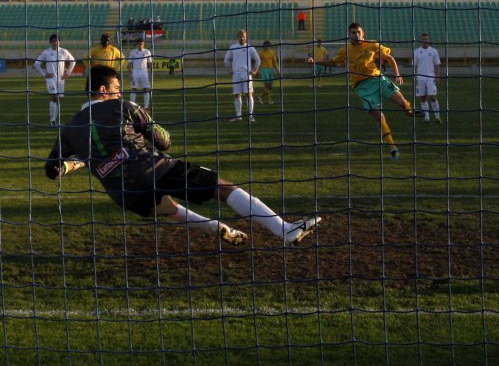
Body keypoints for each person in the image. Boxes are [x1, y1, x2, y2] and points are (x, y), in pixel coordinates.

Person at [44, 65, 320, 248]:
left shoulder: (71, 127)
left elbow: (53, 169)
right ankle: (283, 229)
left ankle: (217, 228)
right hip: (153, 167)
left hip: (122, 192)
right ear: (104, 91)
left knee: (168, 208)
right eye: (117, 87)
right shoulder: (124, 106)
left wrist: (79, 162)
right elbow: (163, 141)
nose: (120, 91)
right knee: (222, 187)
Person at [309, 22, 414, 160]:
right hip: (362, 87)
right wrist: (315, 62)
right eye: (353, 32)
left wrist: (397, 73)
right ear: (349, 34)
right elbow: (334, 62)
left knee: (402, 103)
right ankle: (392, 147)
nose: (356, 35)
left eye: (358, 32)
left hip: (378, 79)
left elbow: (389, 57)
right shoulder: (345, 50)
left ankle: (411, 111)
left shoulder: (372, 45)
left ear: (363, 33)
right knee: (379, 116)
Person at [33, 33, 76, 126]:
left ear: (59, 42)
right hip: (51, 79)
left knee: (58, 100)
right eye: (53, 41)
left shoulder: (64, 52)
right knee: (54, 98)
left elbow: (73, 61)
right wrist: (44, 74)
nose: (55, 43)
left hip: (61, 79)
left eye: (57, 41)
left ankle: (56, 120)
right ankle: (52, 120)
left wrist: (67, 73)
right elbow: (36, 64)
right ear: (50, 42)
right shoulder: (46, 52)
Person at [224, 29, 260, 122]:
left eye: (243, 36)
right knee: (237, 95)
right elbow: (226, 59)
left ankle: (250, 115)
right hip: (236, 74)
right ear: (238, 37)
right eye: (240, 36)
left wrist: (255, 70)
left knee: (249, 94)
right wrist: (229, 70)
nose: (242, 38)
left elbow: (258, 60)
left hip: (246, 74)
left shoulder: (250, 48)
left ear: (246, 37)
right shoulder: (233, 47)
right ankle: (238, 116)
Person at [413, 33, 442, 123]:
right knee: (423, 98)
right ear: (421, 41)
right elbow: (414, 66)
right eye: (423, 39)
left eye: (426, 39)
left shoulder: (433, 51)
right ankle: (427, 118)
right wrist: (414, 78)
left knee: (433, 97)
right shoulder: (416, 52)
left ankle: (437, 117)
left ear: (429, 40)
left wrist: (437, 76)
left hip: (430, 78)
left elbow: (437, 65)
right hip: (420, 78)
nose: (425, 41)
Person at [127, 38, 153, 109]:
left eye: (142, 44)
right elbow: (129, 64)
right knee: (134, 88)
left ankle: (146, 107)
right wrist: (130, 74)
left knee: (146, 89)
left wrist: (150, 74)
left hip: (144, 72)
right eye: (139, 44)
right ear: (137, 44)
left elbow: (150, 64)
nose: (140, 45)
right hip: (135, 71)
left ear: (143, 44)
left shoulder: (147, 52)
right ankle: (132, 106)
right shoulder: (133, 52)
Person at [257, 40, 280, 105]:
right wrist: (257, 71)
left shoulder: (272, 53)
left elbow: (275, 62)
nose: (266, 47)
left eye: (268, 46)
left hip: (271, 70)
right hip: (264, 70)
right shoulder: (261, 53)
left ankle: (260, 97)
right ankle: (270, 100)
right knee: (266, 85)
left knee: (270, 86)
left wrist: (278, 71)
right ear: (263, 46)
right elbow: (258, 63)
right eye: (265, 46)